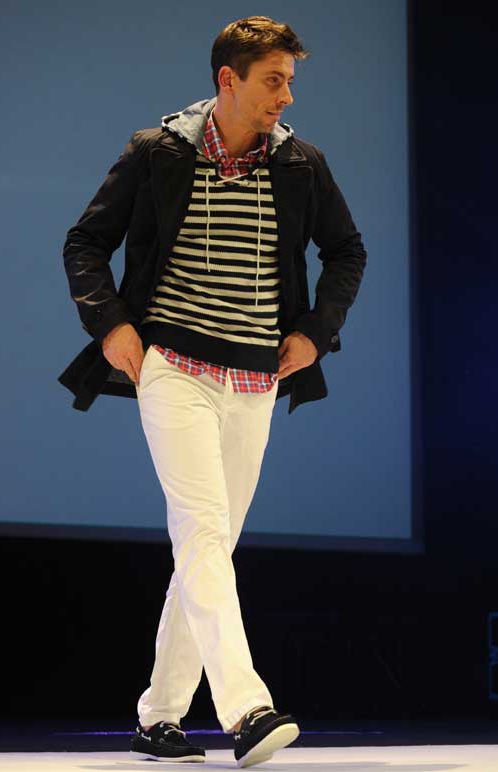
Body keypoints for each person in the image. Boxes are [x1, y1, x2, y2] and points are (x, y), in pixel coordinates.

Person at [59, 15, 367, 769]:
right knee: (201, 532)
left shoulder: (300, 164)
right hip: (174, 367)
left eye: (289, 81)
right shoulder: (158, 151)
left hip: (254, 377)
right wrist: (111, 325)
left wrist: (315, 331)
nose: (286, 97)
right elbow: (86, 242)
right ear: (228, 80)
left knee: (210, 547)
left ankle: (158, 716)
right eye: (273, 81)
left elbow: (346, 251)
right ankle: (246, 709)